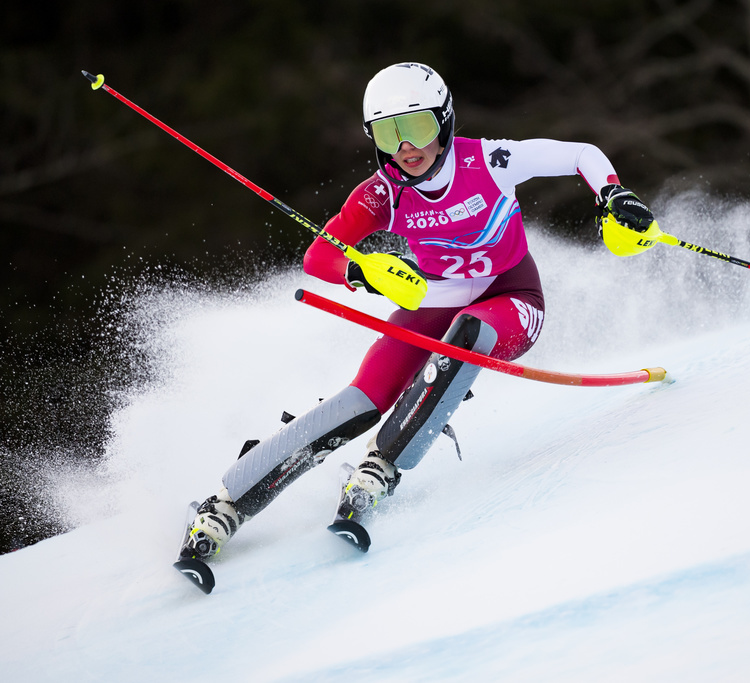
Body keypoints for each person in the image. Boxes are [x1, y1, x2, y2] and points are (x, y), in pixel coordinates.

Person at [181, 62, 658, 560]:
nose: (406, 147)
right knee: (364, 398)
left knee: (469, 333)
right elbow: (318, 256)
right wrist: (360, 270)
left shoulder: (491, 161)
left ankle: (382, 465)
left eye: (418, 127)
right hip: (432, 304)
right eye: (389, 133)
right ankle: (227, 502)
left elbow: (580, 154)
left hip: (511, 297)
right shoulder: (382, 193)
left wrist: (612, 192)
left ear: (445, 120)